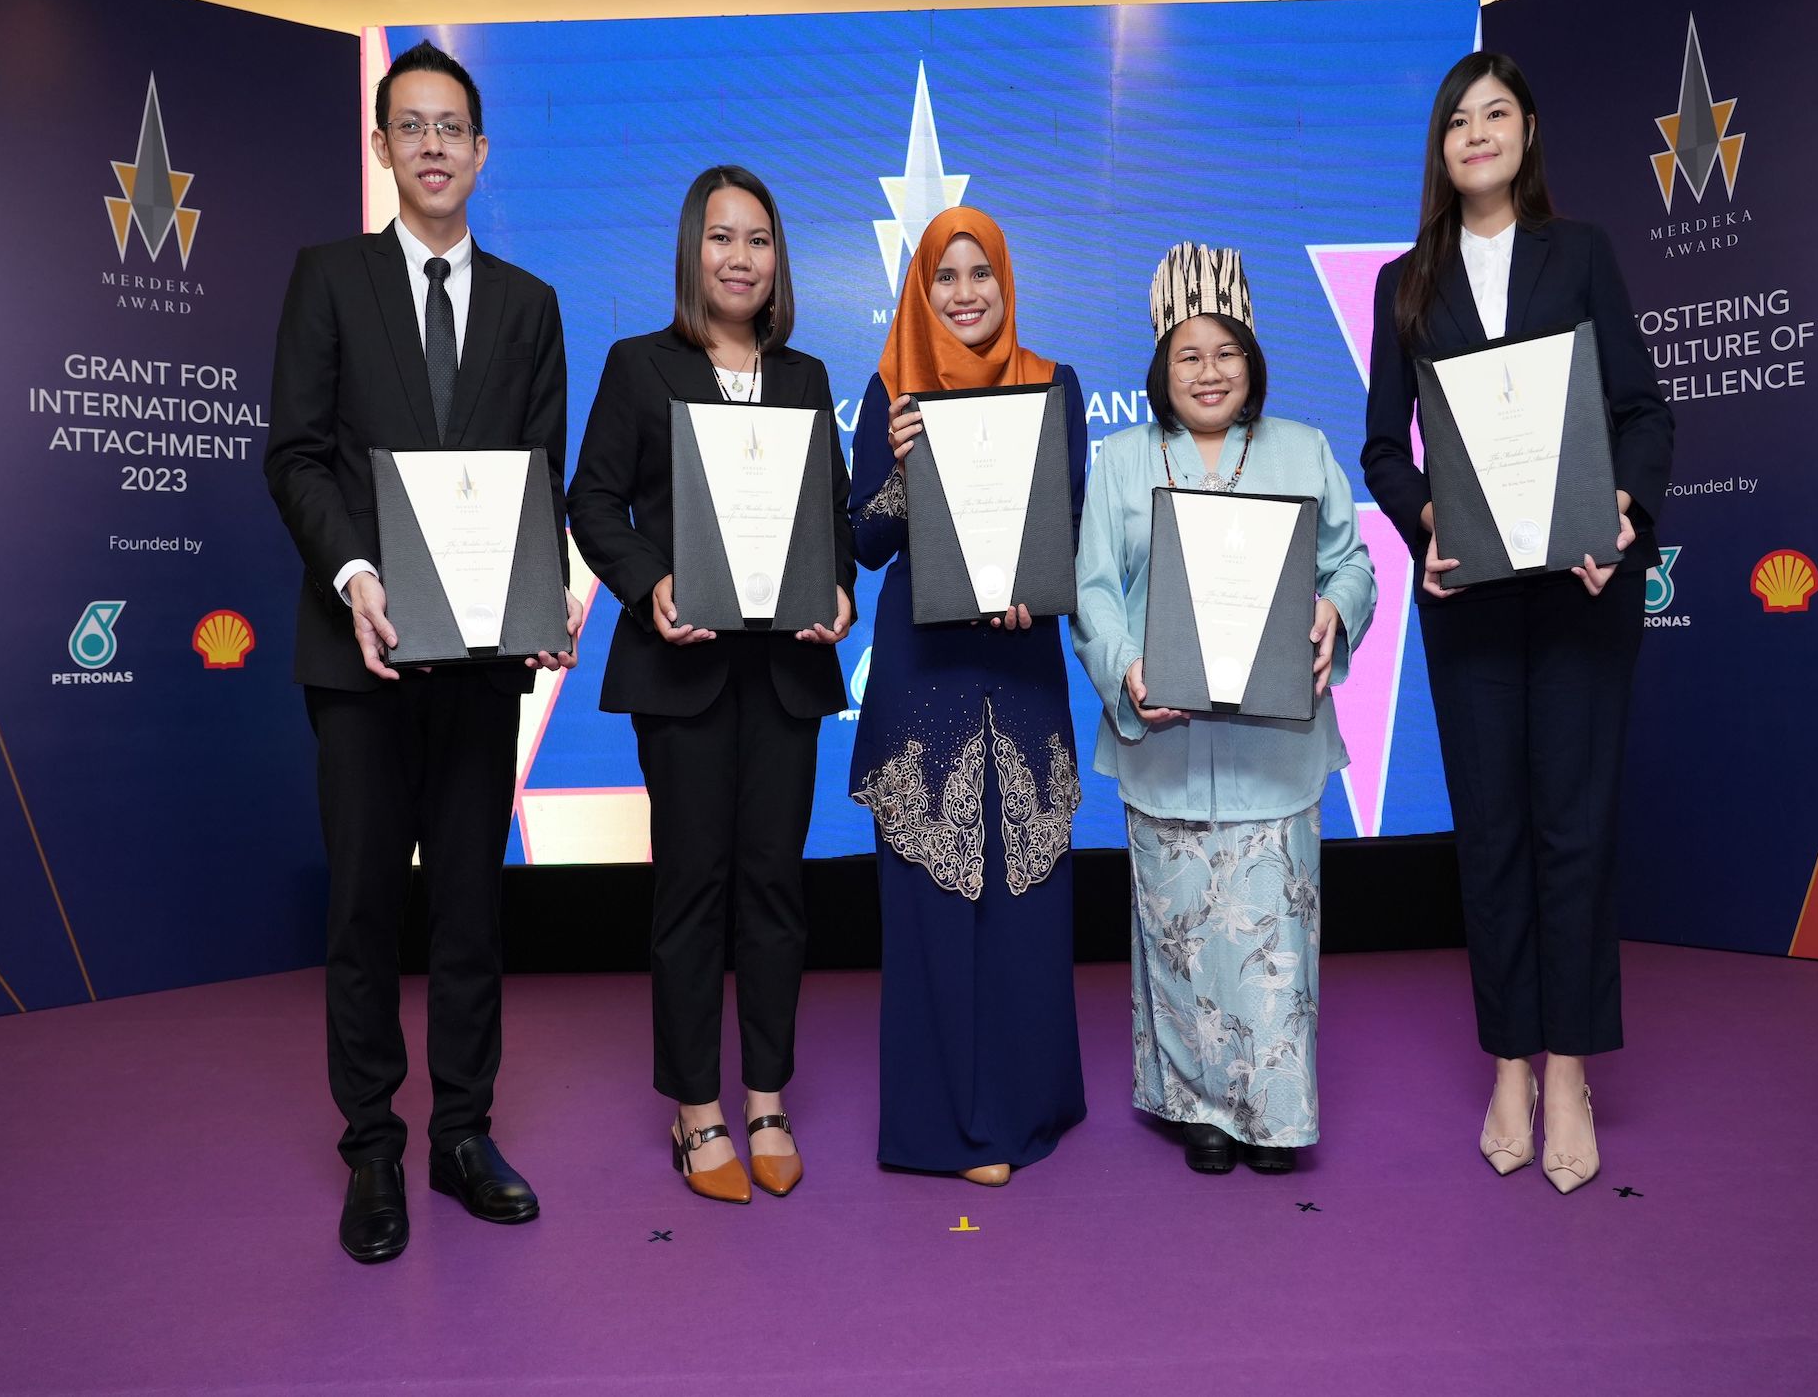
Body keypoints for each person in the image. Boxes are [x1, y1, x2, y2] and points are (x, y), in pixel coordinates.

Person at [264, 39, 580, 1264]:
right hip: (359, 657)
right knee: (361, 909)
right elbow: (296, 454)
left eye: (453, 127)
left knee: (467, 908)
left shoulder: (529, 305)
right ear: (382, 145)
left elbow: (538, 476)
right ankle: (370, 1151)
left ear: (481, 152)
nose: (433, 144)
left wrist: (546, 593)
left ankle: (461, 1135)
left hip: (484, 661)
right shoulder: (327, 278)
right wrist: (355, 574)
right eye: (412, 124)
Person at [1361, 51, 1674, 1194]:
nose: (1475, 132)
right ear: (1439, 147)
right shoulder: (1404, 281)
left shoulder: (1578, 251)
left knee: (1572, 830)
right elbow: (1382, 447)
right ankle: (1508, 1061)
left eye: (1495, 113)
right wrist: (1423, 520)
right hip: (1470, 596)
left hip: (1583, 585)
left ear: (1527, 132)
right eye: (1456, 119)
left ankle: (1570, 1067)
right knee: (1491, 834)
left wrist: (1620, 510)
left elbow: (1641, 410)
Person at [568, 165, 854, 1204]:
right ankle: (696, 1108)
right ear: (693, 249)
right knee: (692, 888)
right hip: (680, 670)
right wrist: (650, 584)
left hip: (784, 672)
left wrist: (838, 589)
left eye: (759, 240)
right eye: (722, 237)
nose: (740, 258)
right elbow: (592, 502)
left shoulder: (806, 377)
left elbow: (830, 517)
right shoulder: (638, 365)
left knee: (774, 886)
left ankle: (765, 1097)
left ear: (779, 260)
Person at [1072, 244, 1375, 1175]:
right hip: (1164, 742)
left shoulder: (1302, 449)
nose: (1209, 372)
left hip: (1274, 747)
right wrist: (1124, 667)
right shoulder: (1121, 461)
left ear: (1253, 359)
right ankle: (1198, 1107)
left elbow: (1351, 563)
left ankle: (1275, 1114)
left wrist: (1335, 611)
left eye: (1227, 352)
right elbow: (1094, 591)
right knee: (1180, 937)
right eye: (1189, 355)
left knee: (1272, 937)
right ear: (1161, 365)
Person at [848, 205, 1087, 1185]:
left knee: (1024, 897)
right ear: (920, 289)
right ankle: (946, 1128)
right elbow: (863, 542)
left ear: (1003, 280)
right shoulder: (890, 391)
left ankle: (1026, 1103)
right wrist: (904, 470)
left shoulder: (1052, 383)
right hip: (927, 676)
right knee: (934, 901)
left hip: (1021, 670)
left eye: (978, 272)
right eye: (943, 276)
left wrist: (1038, 582)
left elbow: (1066, 522)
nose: (963, 293)